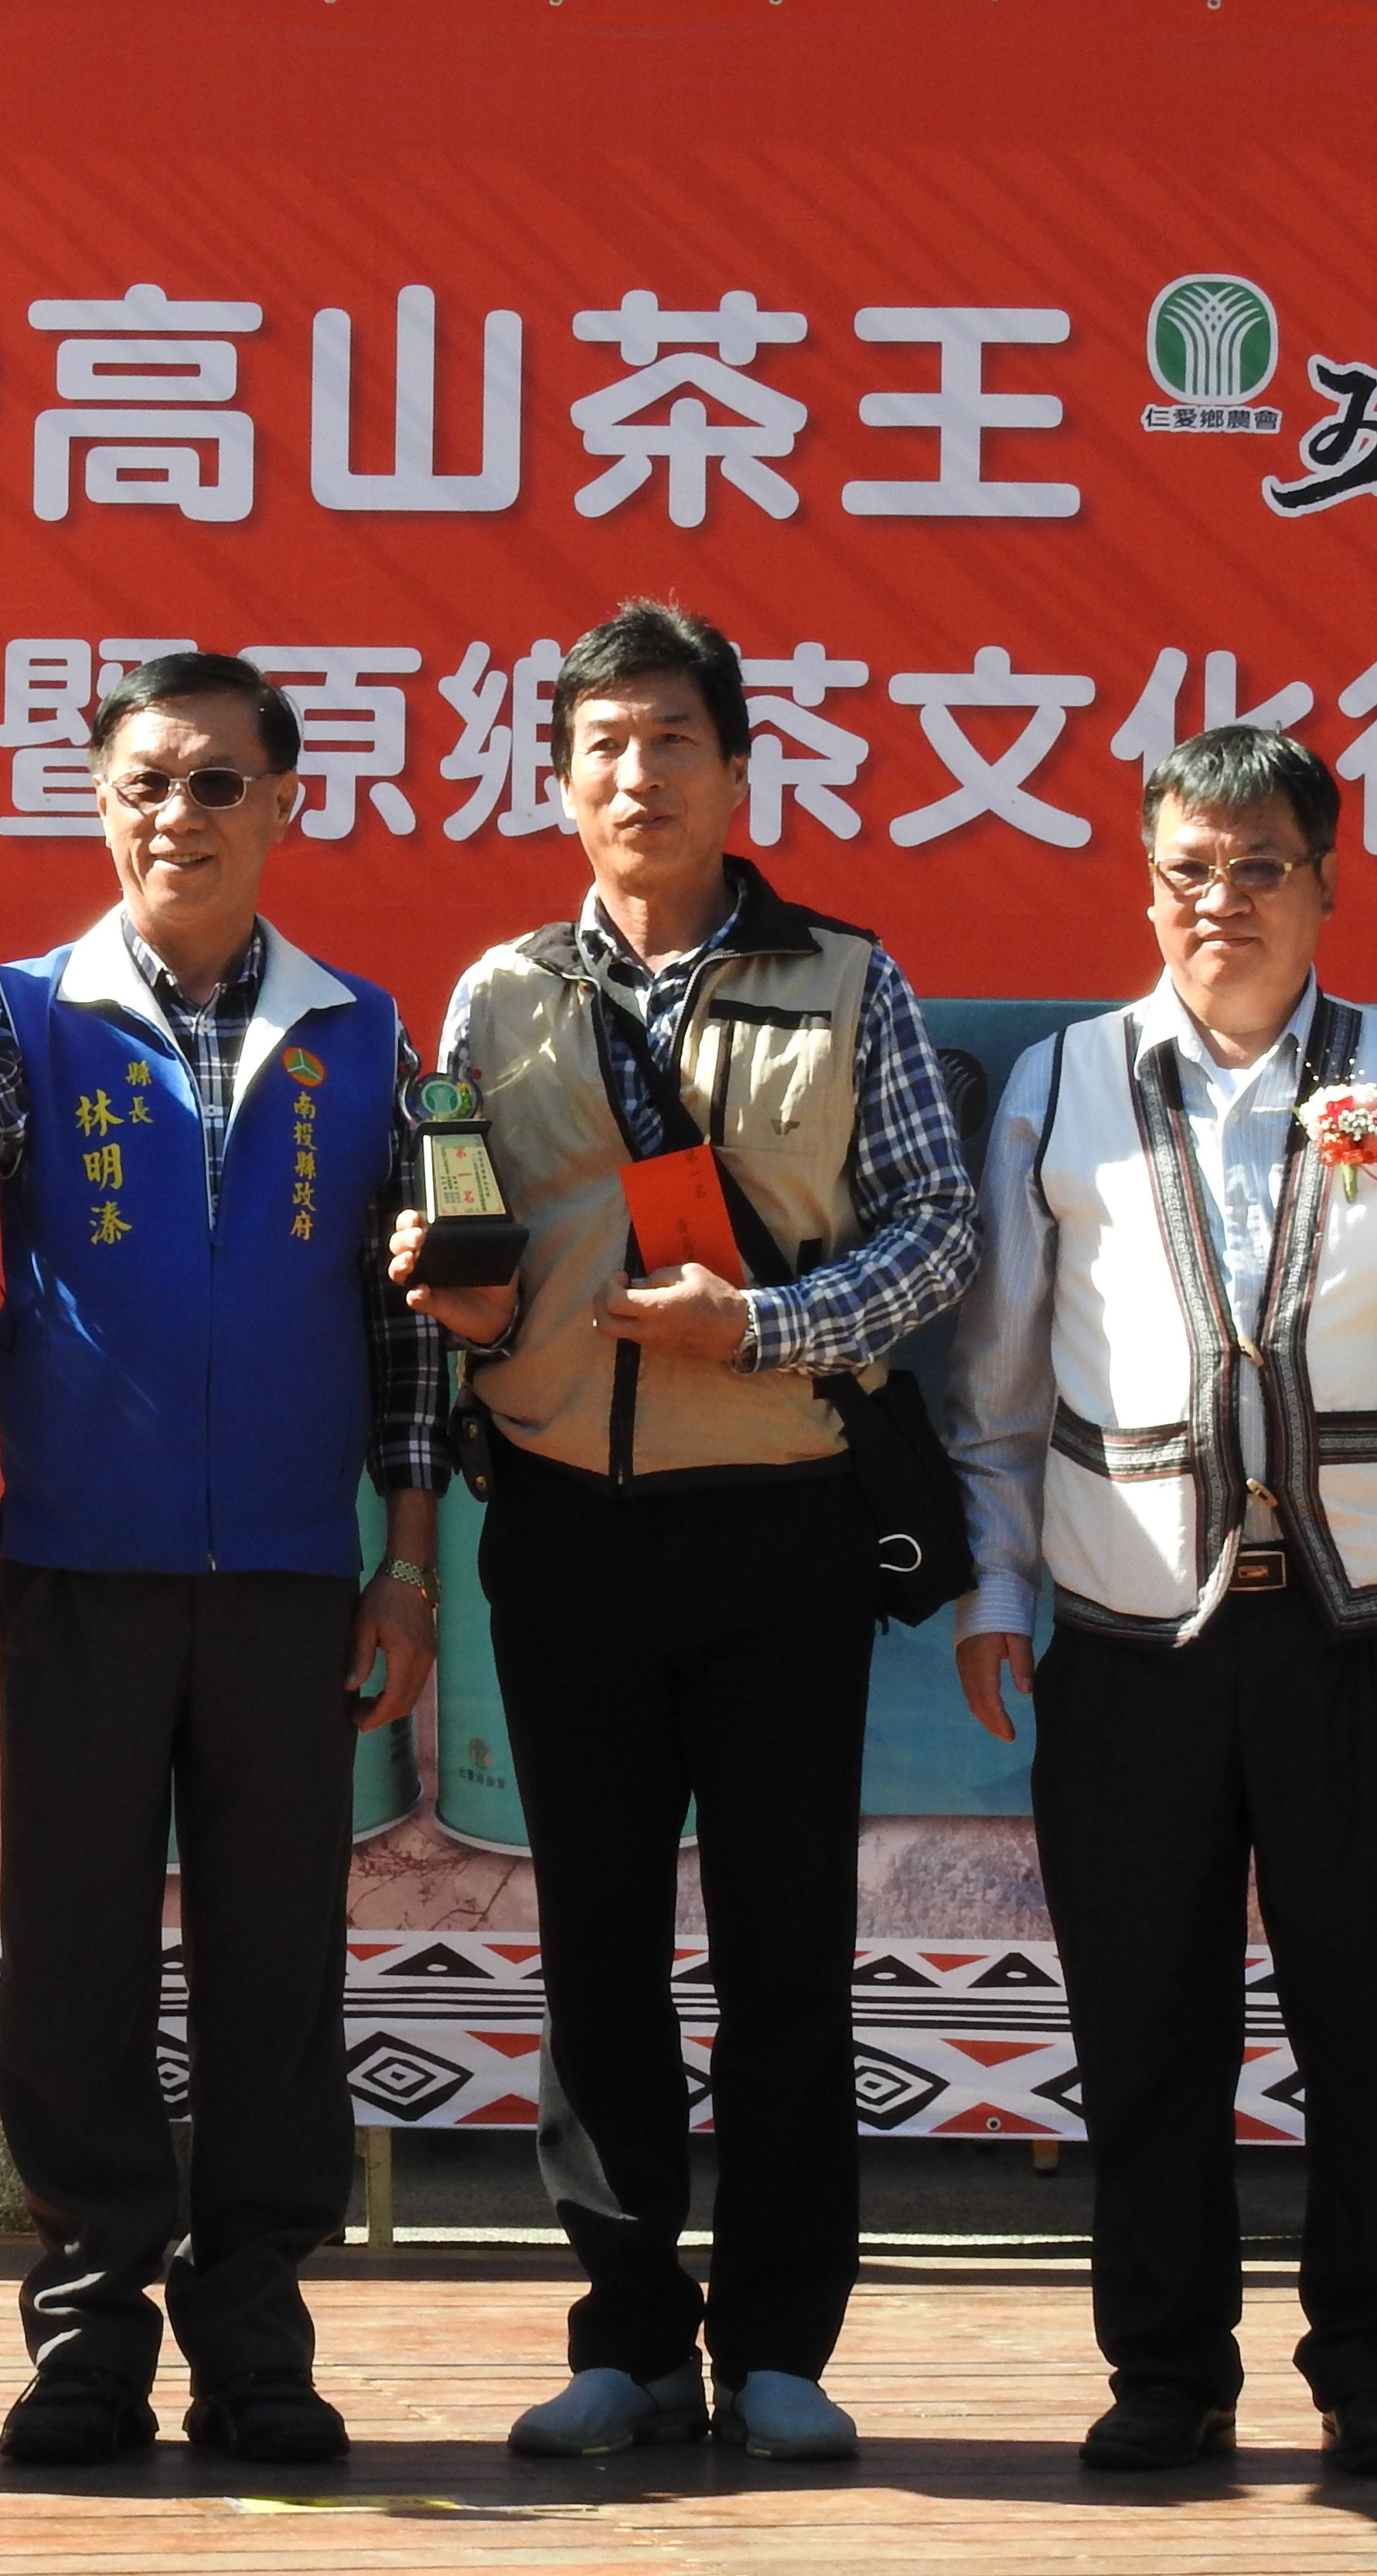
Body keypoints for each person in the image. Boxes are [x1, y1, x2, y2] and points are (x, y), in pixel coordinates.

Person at [943, 723, 1377, 2479]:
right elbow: (996, 1378)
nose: (1222, 901)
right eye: (1189, 871)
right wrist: (999, 1589)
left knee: (1370, 2018)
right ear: (1150, 890)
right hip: (1135, 1629)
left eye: (1259, 866)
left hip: (1368, 1631)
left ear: (1325, 882)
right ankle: (1165, 2376)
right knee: (1144, 2019)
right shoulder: (1064, 1081)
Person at [391, 598, 977, 2467]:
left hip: (782, 1527)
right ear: (558, 782)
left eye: (672, 742)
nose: (636, 775)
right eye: (602, 746)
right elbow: (462, 1252)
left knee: (788, 1951)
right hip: (565, 1531)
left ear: (736, 772)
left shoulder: (849, 982)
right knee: (599, 1957)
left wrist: (763, 1329)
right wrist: (455, 1304)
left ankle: (785, 2343)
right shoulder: (493, 999)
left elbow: (938, 1235)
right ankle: (629, 2337)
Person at [0, 651, 445, 2469]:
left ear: (286, 806)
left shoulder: (365, 1036)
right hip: (82, 1559)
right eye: (145, 782)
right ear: (99, 801)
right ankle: (86, 2330)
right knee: (75, 1958)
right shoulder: (24, 1015)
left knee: (280, 1959)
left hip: (295, 1566)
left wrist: (408, 1555)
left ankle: (258, 2333)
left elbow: (412, 1332)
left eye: (219, 785)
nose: (178, 817)